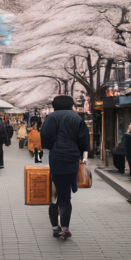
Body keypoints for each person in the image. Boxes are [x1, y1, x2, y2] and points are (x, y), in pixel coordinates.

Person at [41, 95, 90, 241]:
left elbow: (46, 138)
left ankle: (56, 227)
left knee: (54, 195)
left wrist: (48, 152)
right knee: (65, 196)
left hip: (55, 159)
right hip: (71, 160)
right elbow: (84, 140)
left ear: (54, 105)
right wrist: (83, 156)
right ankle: (65, 228)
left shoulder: (51, 118)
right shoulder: (77, 118)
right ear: (71, 105)